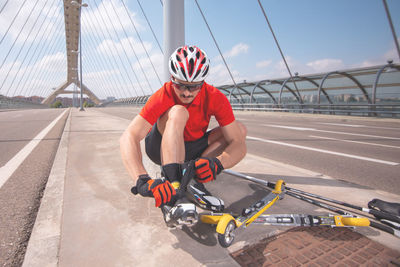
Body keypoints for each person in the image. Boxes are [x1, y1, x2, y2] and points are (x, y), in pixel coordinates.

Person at [120, 45, 247, 224]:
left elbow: (238, 143)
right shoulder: (163, 95)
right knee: (179, 111)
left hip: (193, 146)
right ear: (172, 78)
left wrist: (218, 163)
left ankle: (194, 173)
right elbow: (129, 136)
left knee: (240, 130)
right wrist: (141, 179)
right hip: (159, 146)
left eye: (194, 87)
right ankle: (174, 183)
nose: (186, 92)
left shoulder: (215, 97)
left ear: (203, 82)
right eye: (180, 85)